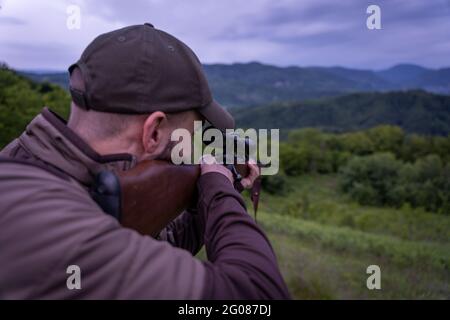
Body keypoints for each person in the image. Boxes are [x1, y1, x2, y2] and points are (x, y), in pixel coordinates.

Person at [0, 24, 290, 299]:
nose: (187, 147)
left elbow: (152, 245)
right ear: (153, 132)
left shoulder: (33, 166)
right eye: (189, 133)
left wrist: (212, 193)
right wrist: (218, 189)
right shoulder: (47, 220)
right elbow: (256, 297)